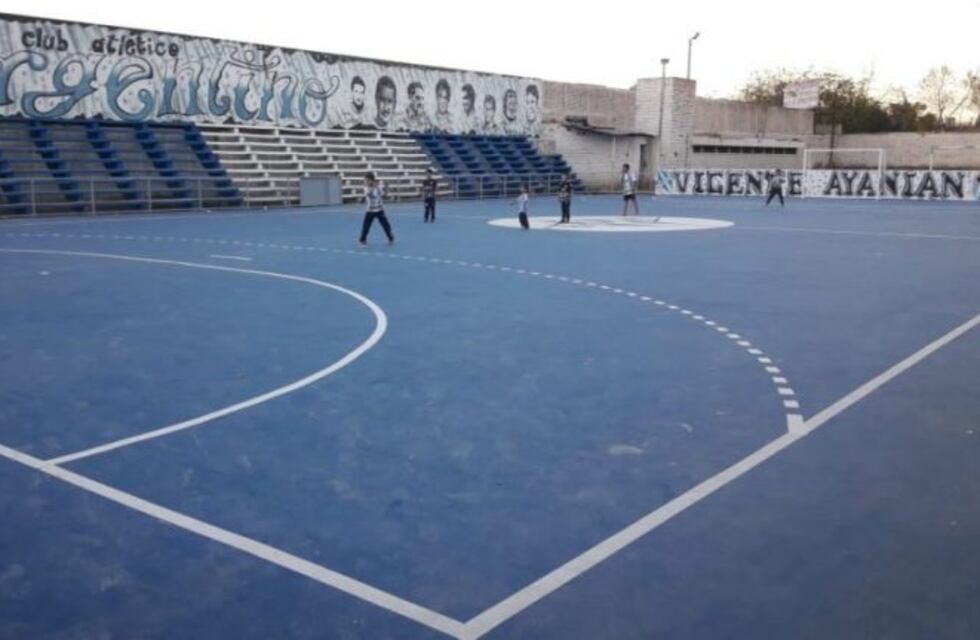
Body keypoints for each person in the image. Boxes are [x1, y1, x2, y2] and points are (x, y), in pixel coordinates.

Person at [359, 172, 395, 245]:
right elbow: (370, 195)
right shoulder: (366, 187)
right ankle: (362, 239)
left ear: (371, 180)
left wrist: (387, 187)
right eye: (365, 180)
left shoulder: (378, 187)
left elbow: (384, 195)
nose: (365, 181)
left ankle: (390, 238)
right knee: (366, 226)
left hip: (380, 210)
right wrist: (374, 187)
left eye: (367, 180)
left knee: (385, 225)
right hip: (370, 210)